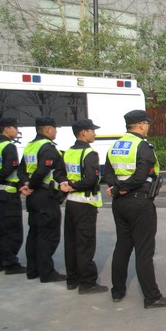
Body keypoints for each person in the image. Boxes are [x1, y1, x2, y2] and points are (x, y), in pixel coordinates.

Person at [104, 110, 166, 308]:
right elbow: (142, 175)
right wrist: (123, 187)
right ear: (142, 125)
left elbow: (107, 173)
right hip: (139, 202)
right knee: (144, 251)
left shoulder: (115, 145)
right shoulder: (142, 146)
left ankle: (117, 291)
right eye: (147, 124)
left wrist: (117, 187)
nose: (148, 128)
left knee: (122, 247)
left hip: (119, 203)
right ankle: (151, 297)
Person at [59, 118, 107, 294]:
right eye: (92, 130)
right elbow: (91, 179)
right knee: (85, 244)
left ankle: (73, 279)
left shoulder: (68, 152)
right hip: (85, 204)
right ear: (83, 133)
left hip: (71, 203)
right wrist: (74, 185)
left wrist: (66, 184)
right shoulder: (90, 154)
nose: (94, 134)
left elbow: (59, 173)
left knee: (71, 243)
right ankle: (88, 283)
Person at [18, 116, 67, 282]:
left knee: (34, 233)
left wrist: (25, 184)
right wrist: (31, 185)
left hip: (32, 197)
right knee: (48, 235)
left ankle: (33, 270)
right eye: (55, 129)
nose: (56, 132)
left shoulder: (30, 147)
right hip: (45, 196)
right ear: (48, 129)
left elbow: (21, 170)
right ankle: (47, 273)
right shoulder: (48, 148)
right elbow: (41, 171)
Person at [0, 117, 25, 275]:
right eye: (15, 128)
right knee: (11, 229)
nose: (17, 131)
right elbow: (8, 169)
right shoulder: (9, 147)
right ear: (7, 129)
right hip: (8, 193)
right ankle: (11, 263)